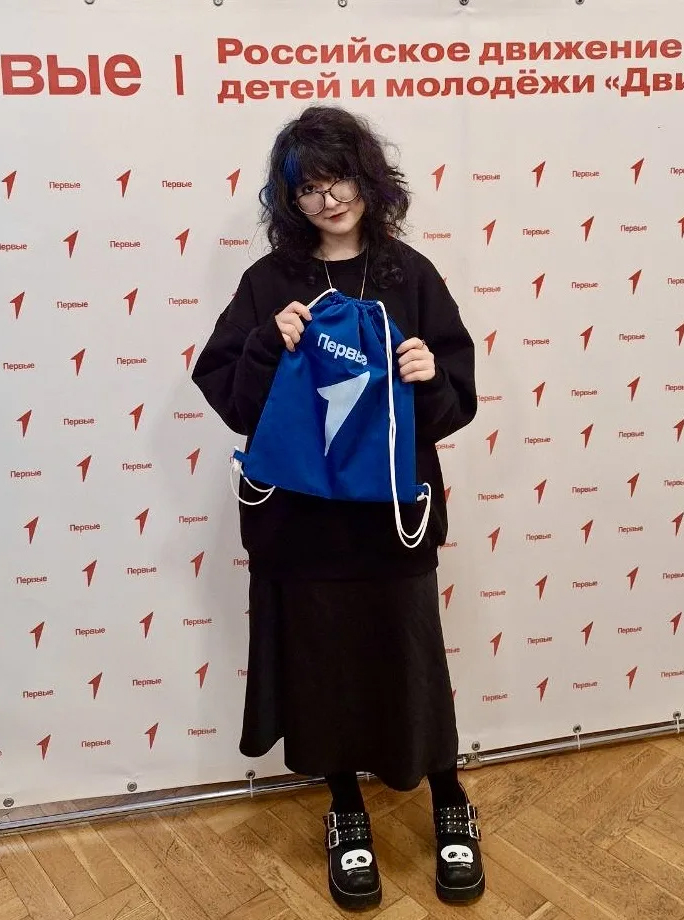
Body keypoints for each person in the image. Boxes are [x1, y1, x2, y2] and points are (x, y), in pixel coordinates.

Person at [191, 105, 484, 910]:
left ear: (369, 181)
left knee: (412, 661)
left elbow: (455, 403)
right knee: (321, 673)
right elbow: (231, 398)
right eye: (310, 188)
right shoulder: (270, 283)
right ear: (290, 200)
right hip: (301, 527)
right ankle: (346, 808)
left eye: (340, 179)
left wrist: (430, 378)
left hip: (390, 523)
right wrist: (267, 343)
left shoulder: (408, 274)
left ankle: (449, 797)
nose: (329, 200)